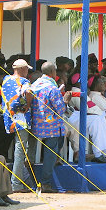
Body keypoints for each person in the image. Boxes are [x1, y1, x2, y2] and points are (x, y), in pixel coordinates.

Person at [30, 62, 66, 193]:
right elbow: (61, 109)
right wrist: (65, 99)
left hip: (36, 125)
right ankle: (45, 182)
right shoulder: (52, 88)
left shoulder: (34, 85)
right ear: (53, 72)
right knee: (51, 151)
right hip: (51, 127)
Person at [1, 58, 35, 193]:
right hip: (21, 117)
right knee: (20, 150)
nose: (27, 71)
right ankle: (16, 183)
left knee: (17, 149)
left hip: (9, 117)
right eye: (26, 69)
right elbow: (28, 92)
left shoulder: (6, 79)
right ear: (22, 69)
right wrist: (28, 104)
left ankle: (17, 181)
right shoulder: (25, 81)